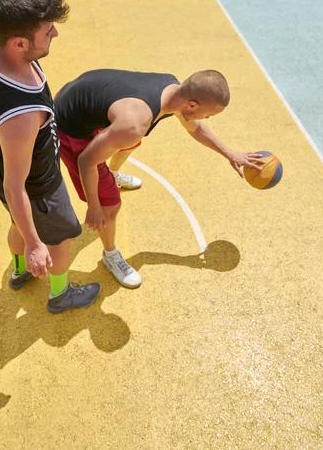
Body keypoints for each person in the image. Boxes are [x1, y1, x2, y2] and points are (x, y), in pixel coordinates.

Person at [0, 0, 101, 313]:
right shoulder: (23, 113)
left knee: (17, 222)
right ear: (20, 43)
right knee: (58, 240)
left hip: (2, 161)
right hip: (36, 184)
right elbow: (16, 186)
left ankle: (19, 269)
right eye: (47, 31)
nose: (55, 32)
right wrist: (36, 241)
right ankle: (59, 294)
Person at [54, 68, 264, 288]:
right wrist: (95, 207)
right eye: (209, 115)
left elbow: (195, 128)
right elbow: (86, 162)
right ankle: (110, 255)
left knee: (131, 140)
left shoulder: (172, 87)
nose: (207, 119)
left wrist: (230, 154)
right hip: (68, 125)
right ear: (191, 105)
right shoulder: (134, 122)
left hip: (78, 96)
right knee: (111, 205)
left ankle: (113, 175)